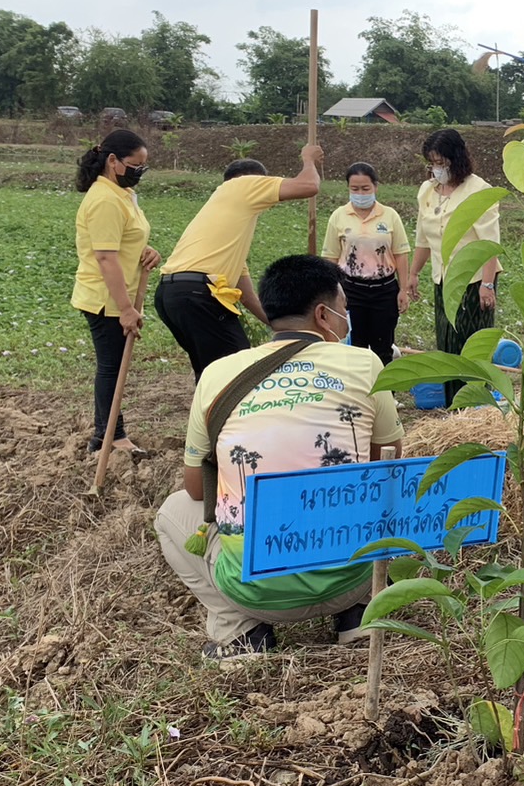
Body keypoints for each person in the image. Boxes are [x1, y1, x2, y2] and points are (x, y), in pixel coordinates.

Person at [154, 254, 404, 662]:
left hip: (255, 592)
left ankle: (240, 631)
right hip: (353, 577)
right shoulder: (365, 363)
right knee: (382, 491)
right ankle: (359, 613)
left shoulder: (218, 374)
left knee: (172, 511)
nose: (346, 318)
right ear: (323, 315)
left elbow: (197, 488)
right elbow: (387, 467)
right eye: (343, 308)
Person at [155, 144, 325, 380]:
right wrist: (309, 159)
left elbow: (246, 295)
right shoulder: (243, 184)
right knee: (239, 371)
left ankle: (209, 404)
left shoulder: (225, 231)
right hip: (197, 294)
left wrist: (279, 325)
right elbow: (308, 186)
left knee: (213, 371)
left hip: (172, 295)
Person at [69, 129, 162, 455]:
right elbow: (106, 258)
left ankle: (107, 433)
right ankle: (109, 436)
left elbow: (125, 239)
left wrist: (146, 250)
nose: (139, 172)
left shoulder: (121, 194)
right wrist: (125, 309)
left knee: (114, 365)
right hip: (105, 299)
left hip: (118, 295)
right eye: (134, 165)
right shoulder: (105, 200)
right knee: (111, 367)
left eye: (142, 167)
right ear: (112, 161)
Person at [405, 129, 500, 403]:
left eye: (441, 163)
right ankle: (454, 406)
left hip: (474, 280)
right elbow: (423, 238)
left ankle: (474, 406)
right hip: (443, 279)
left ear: (457, 159)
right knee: (447, 343)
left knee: (470, 346)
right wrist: (413, 273)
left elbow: (490, 242)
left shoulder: (478, 190)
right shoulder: (427, 190)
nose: (437, 169)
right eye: (432, 163)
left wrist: (487, 284)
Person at [321, 162, 412, 367]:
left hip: (384, 290)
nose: (360, 194)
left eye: (365, 188)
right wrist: (331, 292)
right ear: (348, 188)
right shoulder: (339, 216)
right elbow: (330, 257)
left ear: (375, 187)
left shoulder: (389, 215)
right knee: (355, 347)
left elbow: (401, 254)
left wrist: (403, 290)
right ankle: (359, 386)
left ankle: (384, 386)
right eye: (355, 189)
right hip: (351, 290)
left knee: (383, 347)